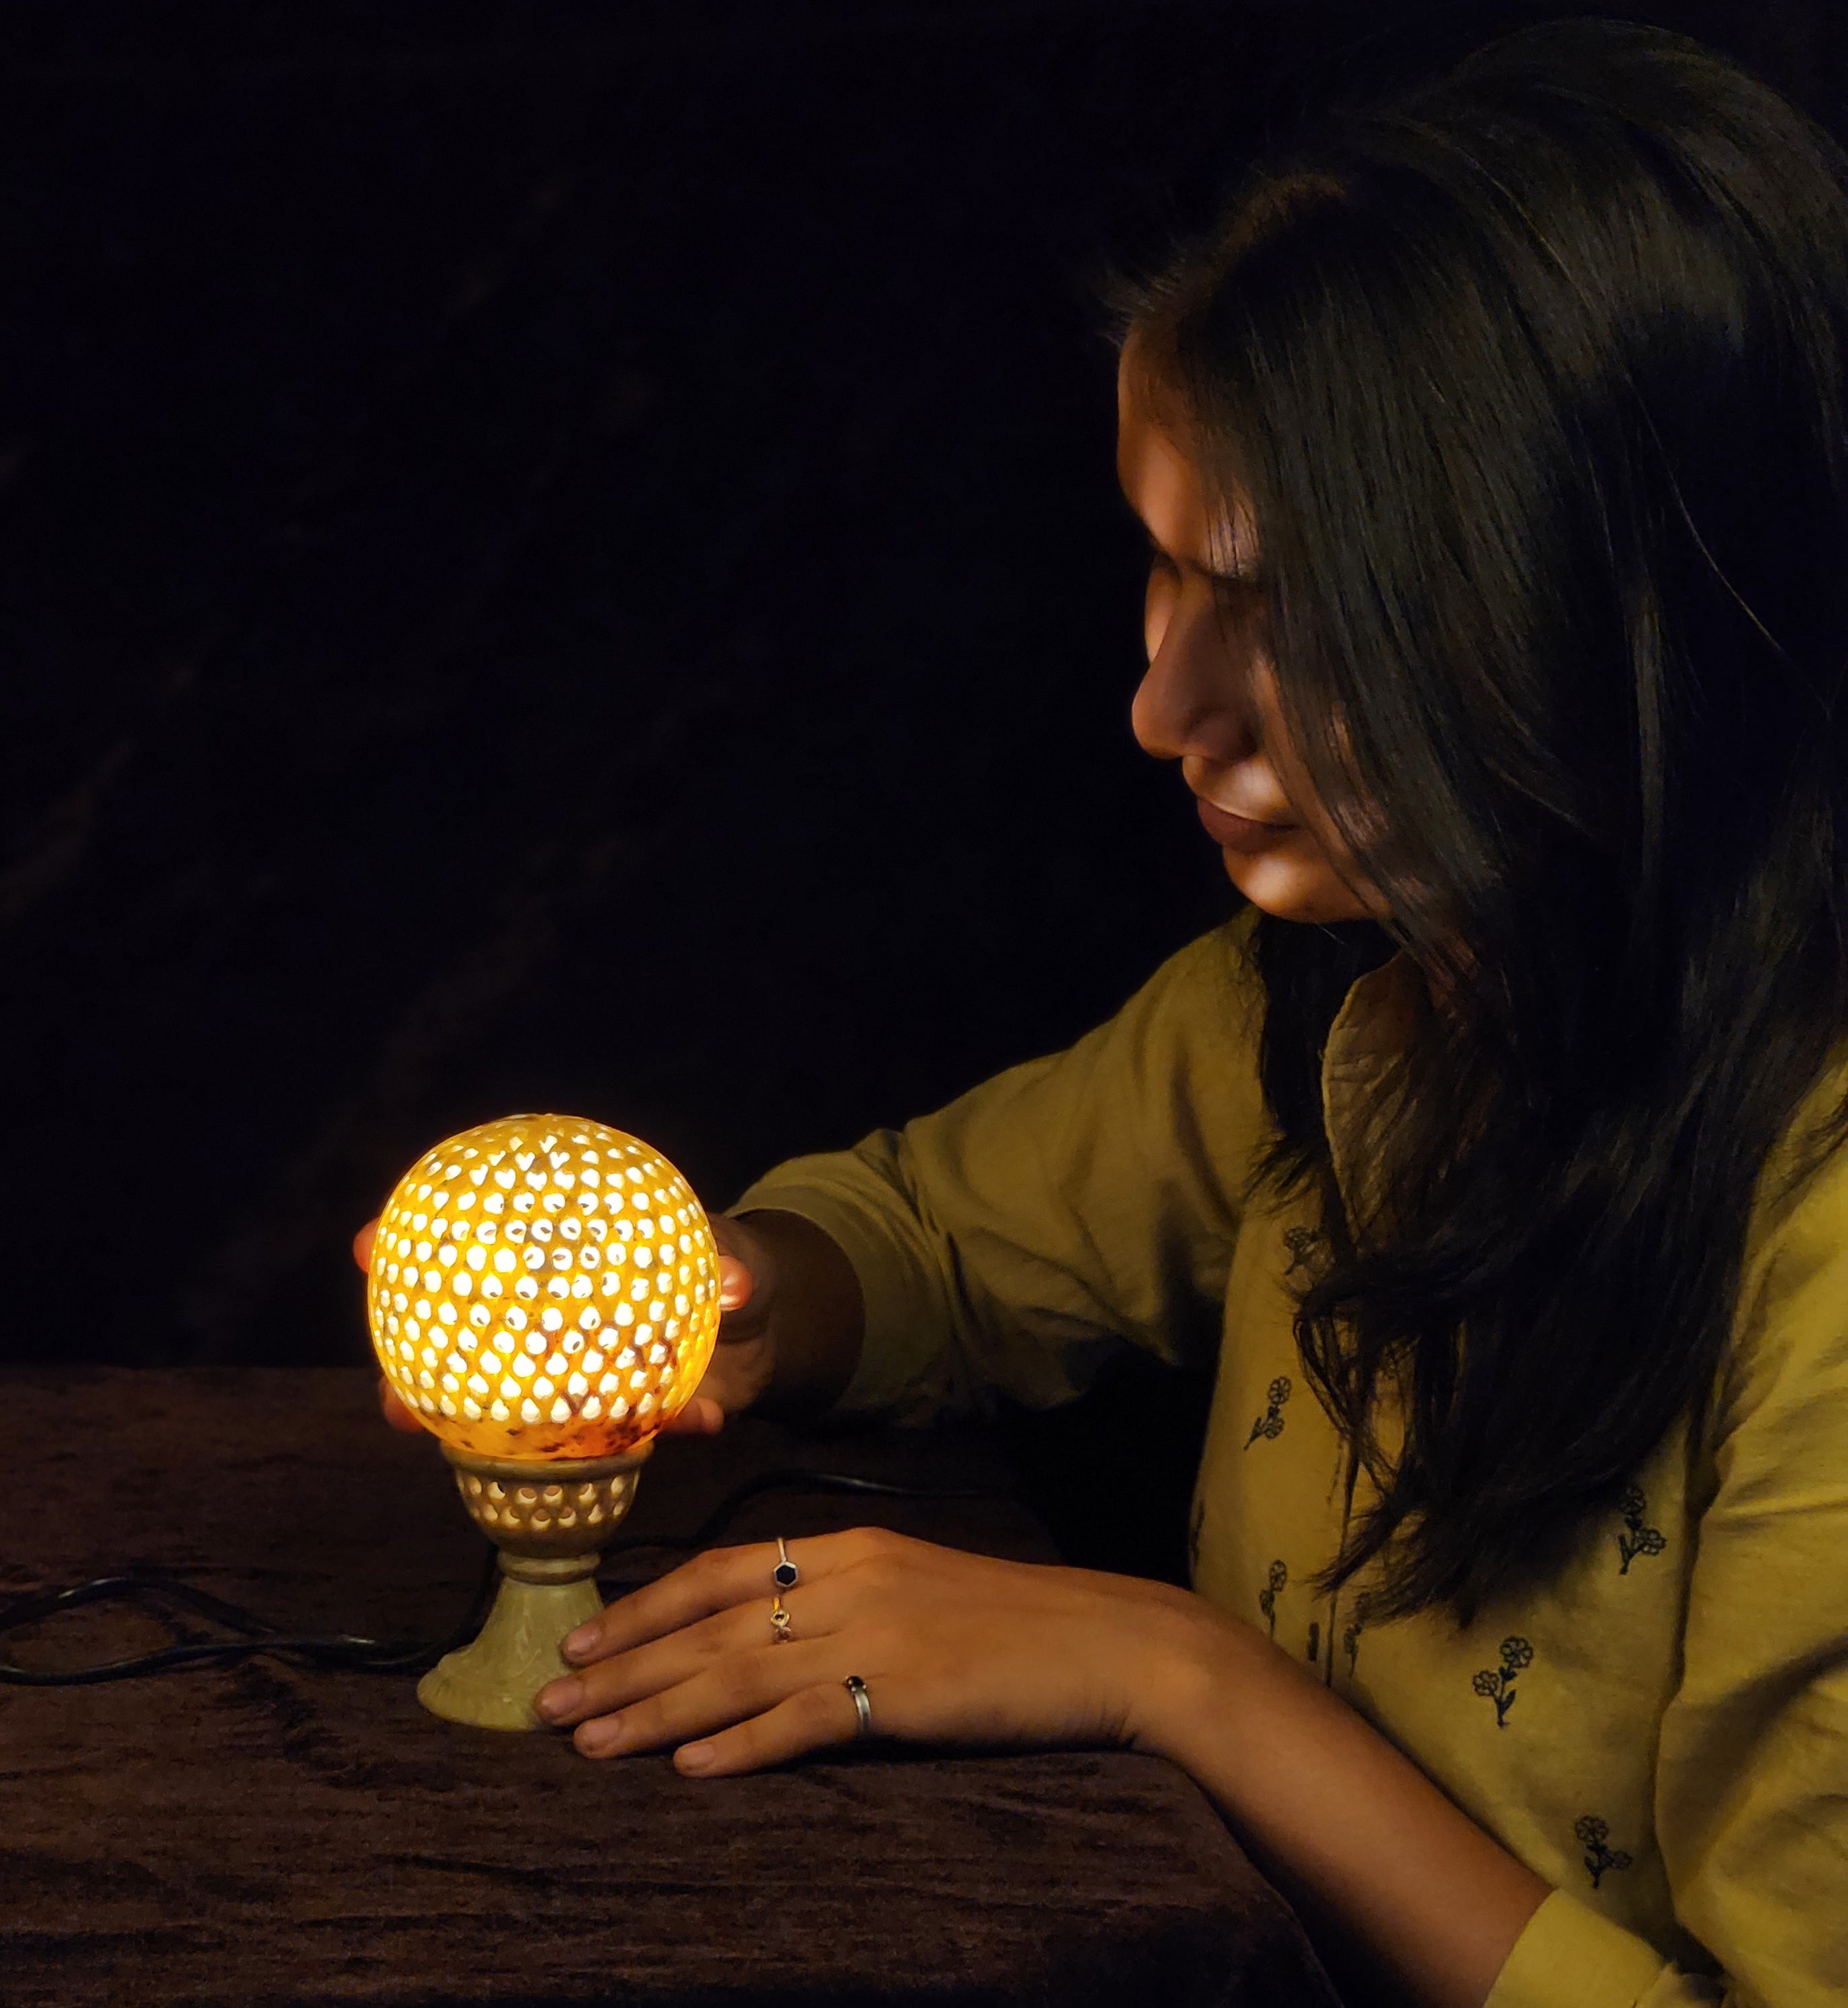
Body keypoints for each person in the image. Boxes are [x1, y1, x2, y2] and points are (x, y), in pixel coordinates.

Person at [362, 21, 1848, 2006]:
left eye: (1293, 613)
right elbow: (937, 1242)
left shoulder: (1818, 1240)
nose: (1165, 712)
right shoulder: (1318, 1009)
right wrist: (681, 1310)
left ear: (1613, 627)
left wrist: (1172, 1673)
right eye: (1162, 571)